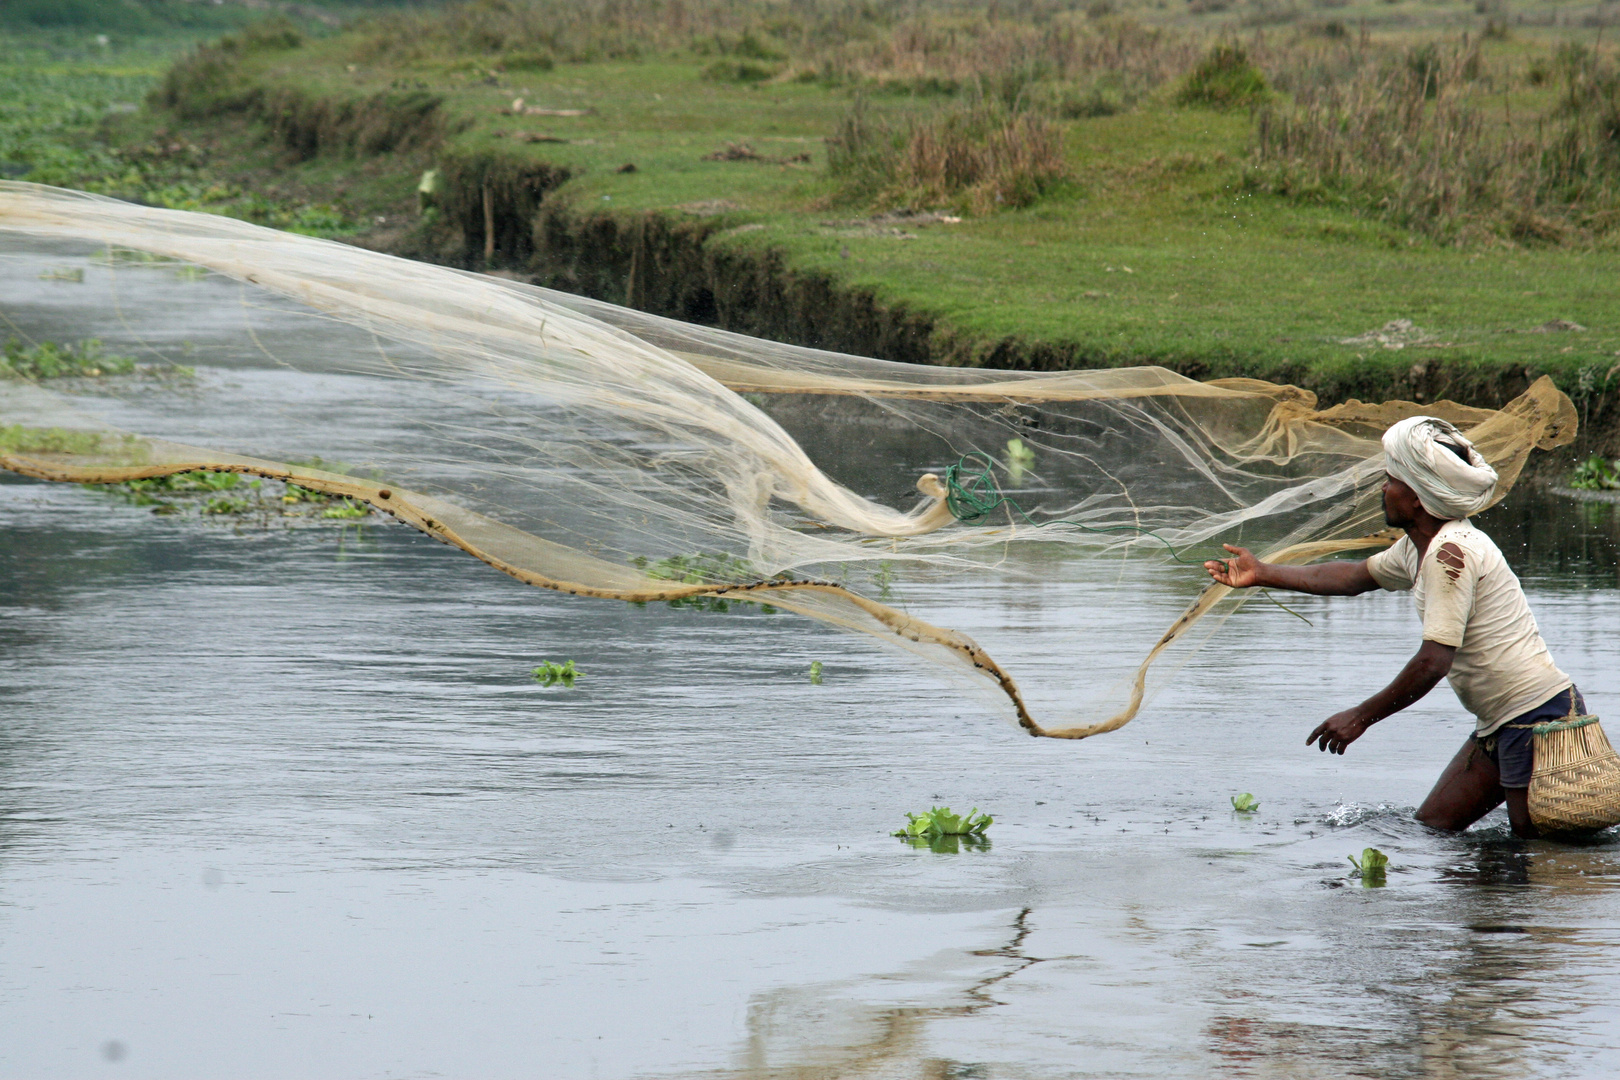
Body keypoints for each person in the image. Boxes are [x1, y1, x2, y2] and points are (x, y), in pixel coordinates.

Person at [1204, 415, 1581, 839]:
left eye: (1390, 481)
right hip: (1502, 721)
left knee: (1533, 855)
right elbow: (1350, 577)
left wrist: (1360, 717)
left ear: (1417, 497)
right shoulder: (1419, 546)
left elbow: (1434, 662)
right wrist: (1261, 573)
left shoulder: (1449, 556)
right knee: (1435, 827)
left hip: (1534, 720)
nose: (1383, 489)